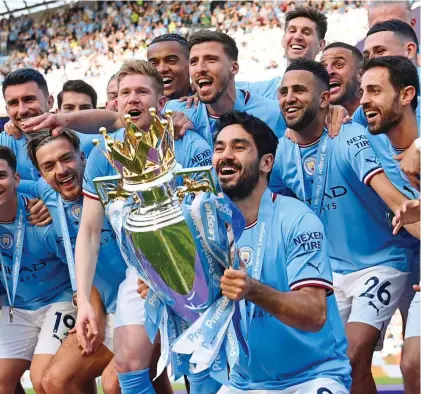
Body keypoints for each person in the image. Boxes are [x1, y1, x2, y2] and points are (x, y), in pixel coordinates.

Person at [271, 59, 418, 394]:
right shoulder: (283, 151)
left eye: (299, 90)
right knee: (338, 367)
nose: (289, 97)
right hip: (330, 273)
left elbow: (387, 192)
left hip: (381, 264)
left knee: (354, 354)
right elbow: (273, 207)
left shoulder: (348, 135)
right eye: (284, 91)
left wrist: (403, 207)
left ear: (325, 100)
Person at [77, 60, 212, 394]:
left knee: (202, 358)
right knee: (127, 365)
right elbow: (91, 231)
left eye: (141, 91)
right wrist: (82, 300)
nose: (132, 99)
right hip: (139, 274)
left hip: (195, 271)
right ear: (117, 104)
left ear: (161, 102)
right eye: (125, 93)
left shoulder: (189, 144)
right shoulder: (103, 154)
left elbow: (209, 221)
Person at [211, 111, 351, 393]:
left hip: (312, 378)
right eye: (219, 148)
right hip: (244, 383)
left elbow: (314, 315)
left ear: (266, 163)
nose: (226, 155)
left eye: (239, 147)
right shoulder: (207, 224)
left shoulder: (298, 219)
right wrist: (169, 289)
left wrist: (252, 289)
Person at [25, 130, 129, 394]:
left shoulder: (113, 187)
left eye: (67, 159)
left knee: (115, 384)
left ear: (83, 157)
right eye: (48, 166)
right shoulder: (42, 195)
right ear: (40, 173)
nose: (60, 170)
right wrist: (92, 307)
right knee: (54, 382)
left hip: (142, 306)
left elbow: (126, 124)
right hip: (105, 310)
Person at [361, 56, 420, 394]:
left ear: (406, 94)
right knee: (412, 365)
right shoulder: (371, 145)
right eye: (362, 91)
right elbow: (411, 221)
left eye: (374, 91)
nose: (364, 99)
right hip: (405, 262)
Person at [0, 146, 75, 394]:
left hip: (59, 300)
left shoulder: (40, 217)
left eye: (1, 175)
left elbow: (79, 266)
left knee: (43, 379)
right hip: (16, 306)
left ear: (17, 179)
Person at [165, 30, 287, 147]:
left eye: (211, 60)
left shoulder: (274, 114)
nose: (200, 68)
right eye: (194, 62)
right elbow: (150, 159)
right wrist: (164, 136)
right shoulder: (174, 113)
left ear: (233, 68)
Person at [236, 7, 327, 100]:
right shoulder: (259, 92)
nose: (297, 36)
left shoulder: (330, 93)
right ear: (283, 40)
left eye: (306, 33)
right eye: (292, 31)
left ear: (320, 45)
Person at [320, 42, 363, 115]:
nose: (328, 72)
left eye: (338, 65)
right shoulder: (312, 124)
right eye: (323, 67)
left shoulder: (383, 117)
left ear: (360, 74)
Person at [147, 34, 191, 100]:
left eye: (171, 61)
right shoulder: (141, 106)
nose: (161, 69)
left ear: (191, 64)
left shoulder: (207, 105)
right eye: (153, 64)